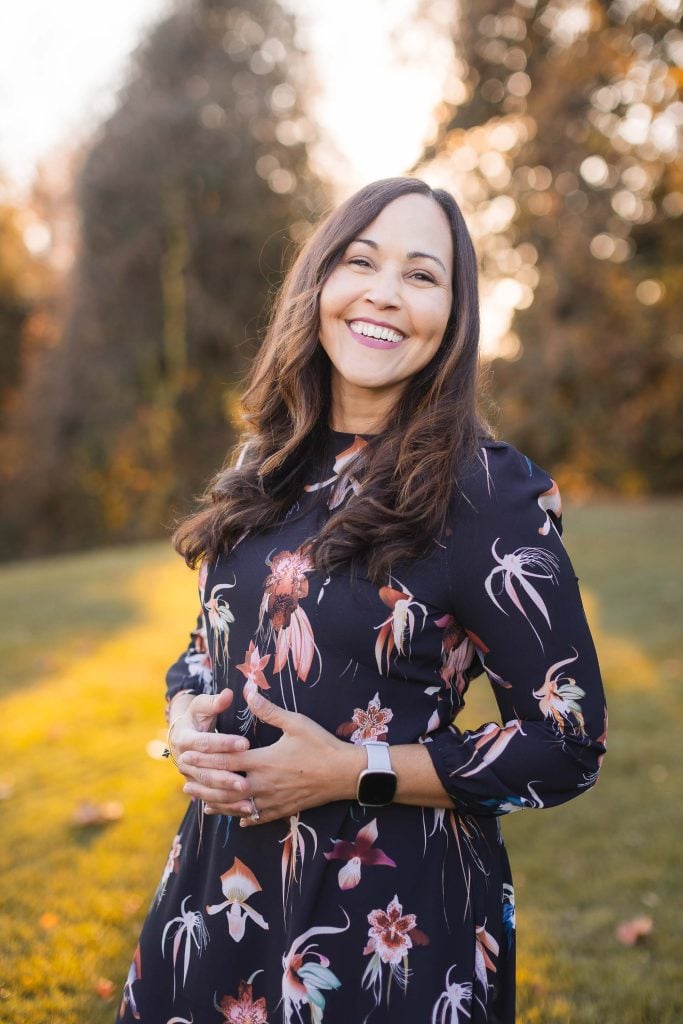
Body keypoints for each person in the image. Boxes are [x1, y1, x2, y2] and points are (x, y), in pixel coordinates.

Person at [116, 177, 607, 1024]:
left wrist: (354, 770)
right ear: (319, 283)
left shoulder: (487, 493)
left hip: (388, 924)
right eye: (361, 261)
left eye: (421, 275)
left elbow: (567, 741)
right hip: (217, 897)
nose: (383, 292)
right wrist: (184, 719)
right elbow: (207, 646)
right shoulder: (262, 464)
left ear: (452, 317)